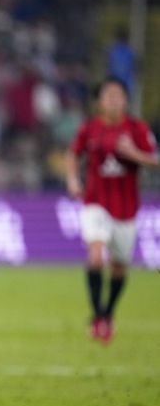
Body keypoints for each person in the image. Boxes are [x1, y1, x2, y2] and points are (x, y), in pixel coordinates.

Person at [65, 77, 158, 343]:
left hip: (126, 210)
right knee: (95, 257)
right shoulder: (90, 128)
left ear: (126, 100)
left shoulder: (137, 129)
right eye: (108, 96)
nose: (113, 100)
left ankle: (108, 312)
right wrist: (73, 179)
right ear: (100, 102)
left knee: (119, 267)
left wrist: (133, 153)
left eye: (118, 96)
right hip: (95, 203)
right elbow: (73, 153)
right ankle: (98, 316)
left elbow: (154, 161)